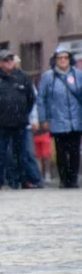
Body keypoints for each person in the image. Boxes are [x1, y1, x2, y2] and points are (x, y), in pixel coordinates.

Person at [0, 50, 35, 190]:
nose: (8, 62)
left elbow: (31, 98)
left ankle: (23, 179)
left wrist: (24, 113)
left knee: (22, 153)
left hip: (20, 121)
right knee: (1, 153)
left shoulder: (22, 77)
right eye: (5, 60)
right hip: (1, 123)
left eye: (10, 59)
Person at [37, 48, 82, 188]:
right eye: (60, 58)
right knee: (61, 151)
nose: (63, 60)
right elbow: (41, 99)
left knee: (75, 151)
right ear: (55, 60)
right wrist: (43, 118)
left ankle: (73, 179)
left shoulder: (78, 75)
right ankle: (64, 179)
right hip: (57, 119)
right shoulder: (48, 77)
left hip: (76, 119)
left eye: (65, 57)